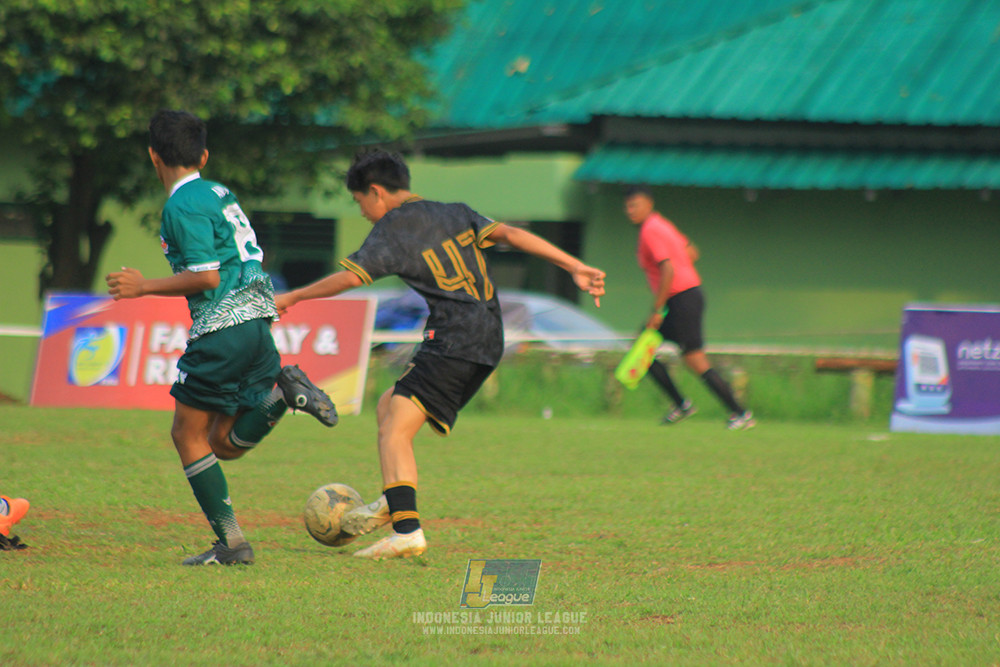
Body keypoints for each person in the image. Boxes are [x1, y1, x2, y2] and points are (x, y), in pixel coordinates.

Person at [276, 149, 606, 560]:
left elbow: (350, 278)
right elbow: (513, 235)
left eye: (359, 202)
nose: (361, 212)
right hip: (489, 335)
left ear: (376, 192)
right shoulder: (455, 212)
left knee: (396, 429)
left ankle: (407, 531)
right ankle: (392, 502)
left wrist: (294, 296)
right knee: (388, 407)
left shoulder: (393, 228)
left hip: (454, 337)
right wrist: (573, 265)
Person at [106, 110, 337, 566]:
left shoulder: (181, 204)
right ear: (204, 156)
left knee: (186, 434)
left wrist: (144, 286)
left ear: (153, 156)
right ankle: (283, 394)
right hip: (257, 327)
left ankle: (232, 544)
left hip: (221, 330)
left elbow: (207, 277)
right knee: (223, 443)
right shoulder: (219, 193)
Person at [624, 185, 755, 431]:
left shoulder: (650, 230)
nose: (630, 211)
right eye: (627, 206)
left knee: (694, 359)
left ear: (649, 204)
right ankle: (682, 404)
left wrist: (657, 310)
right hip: (685, 296)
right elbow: (692, 252)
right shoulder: (663, 225)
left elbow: (668, 269)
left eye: (635, 205)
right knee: (642, 349)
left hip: (681, 299)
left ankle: (739, 413)